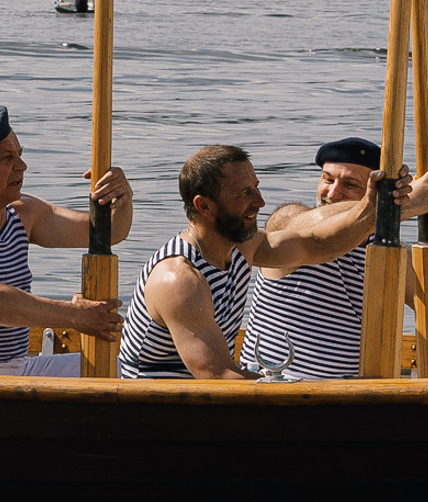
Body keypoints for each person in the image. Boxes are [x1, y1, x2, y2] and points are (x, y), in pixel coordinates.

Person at [116, 142, 376, 379]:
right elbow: (219, 377)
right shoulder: (178, 279)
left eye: (257, 187)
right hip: (155, 414)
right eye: (244, 194)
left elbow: (318, 244)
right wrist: (299, 388)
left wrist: (383, 205)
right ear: (204, 206)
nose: (260, 202)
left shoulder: (243, 249)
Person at [0, 104, 131, 376]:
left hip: (19, 365)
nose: (22, 166)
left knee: (122, 370)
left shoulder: (22, 213)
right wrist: (74, 315)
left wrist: (121, 197)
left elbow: (110, 233)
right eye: (7, 158)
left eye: (20, 155)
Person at [245, 137, 428, 378]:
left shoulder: (390, 253)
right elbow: (319, 226)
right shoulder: (288, 220)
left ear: (372, 191)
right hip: (277, 387)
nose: (333, 192)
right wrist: (397, 207)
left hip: (352, 396)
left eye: (350, 184)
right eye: (327, 179)